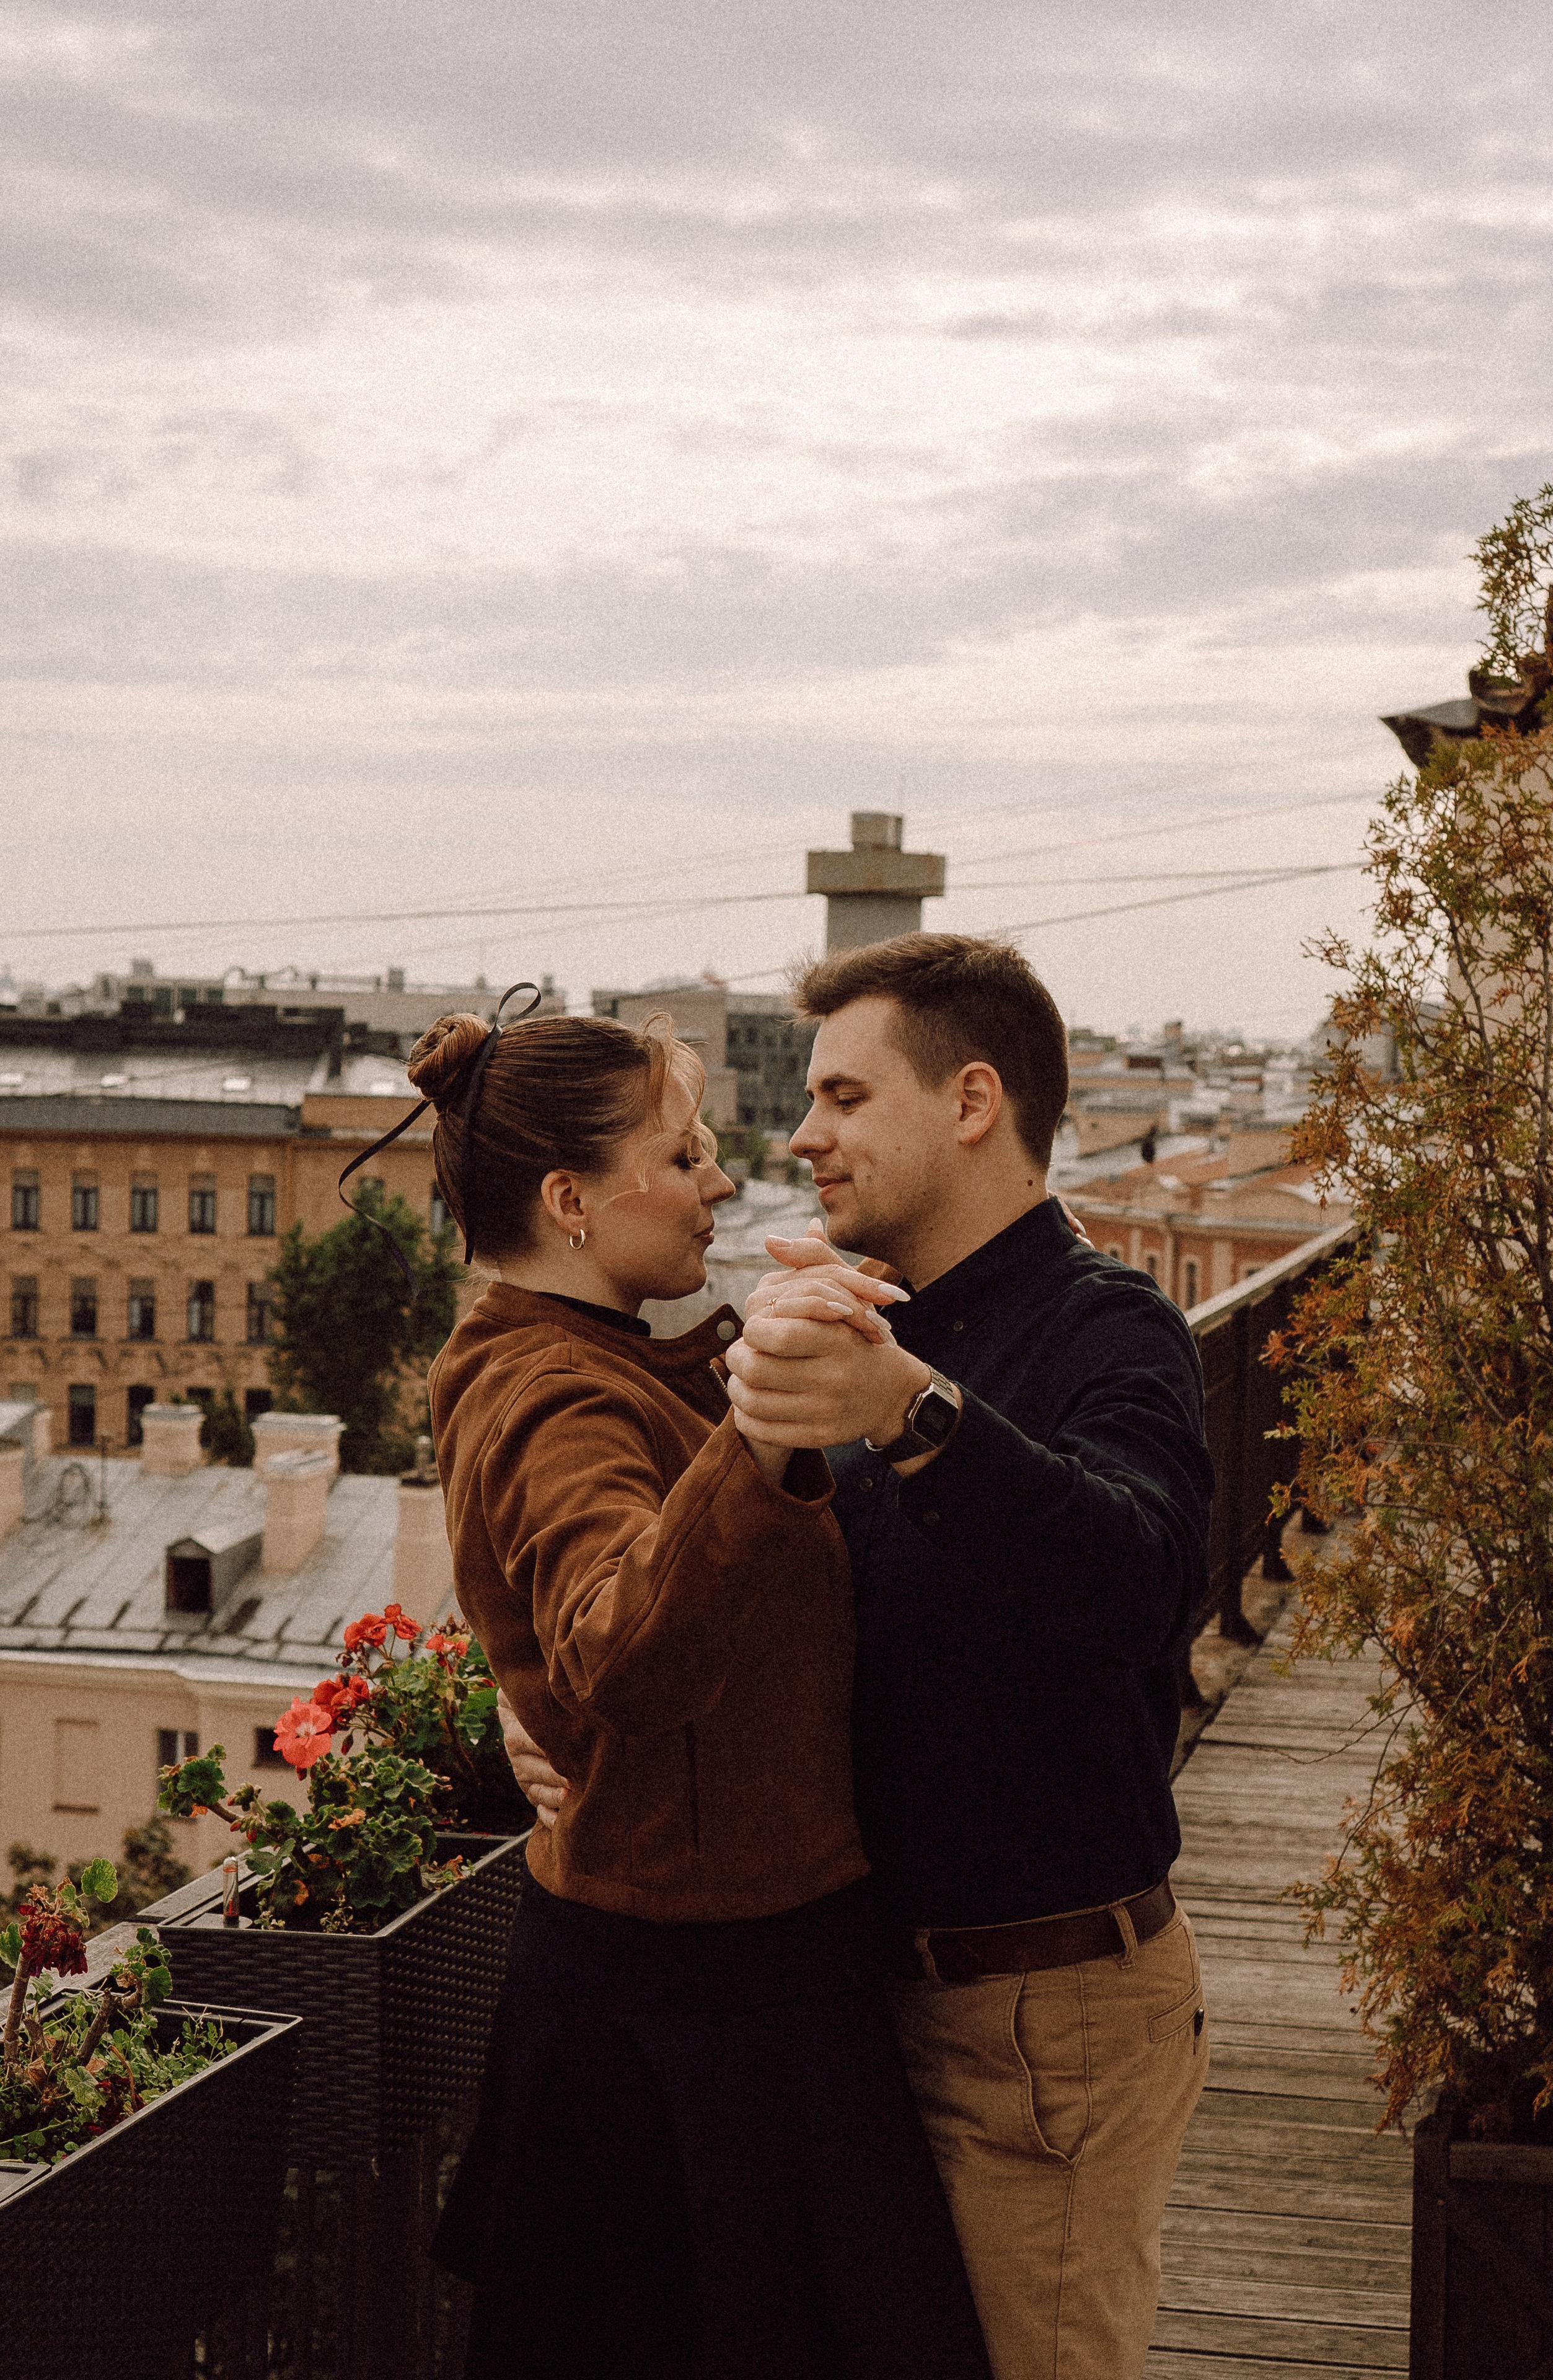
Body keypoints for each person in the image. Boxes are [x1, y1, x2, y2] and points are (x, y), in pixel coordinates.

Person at [509, 935, 1215, 2380]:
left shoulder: (1105, 1328)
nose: (801, 1136)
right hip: (841, 2006)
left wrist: (915, 1411)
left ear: (968, 1102)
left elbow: (1139, 1585)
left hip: (1039, 2023)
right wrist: (534, 1732)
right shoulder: (854, 1314)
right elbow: (733, 1618)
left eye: (840, 1097)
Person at [406, 997, 991, 2380]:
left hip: (713, 1988)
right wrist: (762, 1426)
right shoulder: (557, 1394)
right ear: (568, 1199)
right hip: (691, 2023)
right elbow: (620, 1652)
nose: (721, 1182)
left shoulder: (590, 1360)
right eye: (681, 1160)